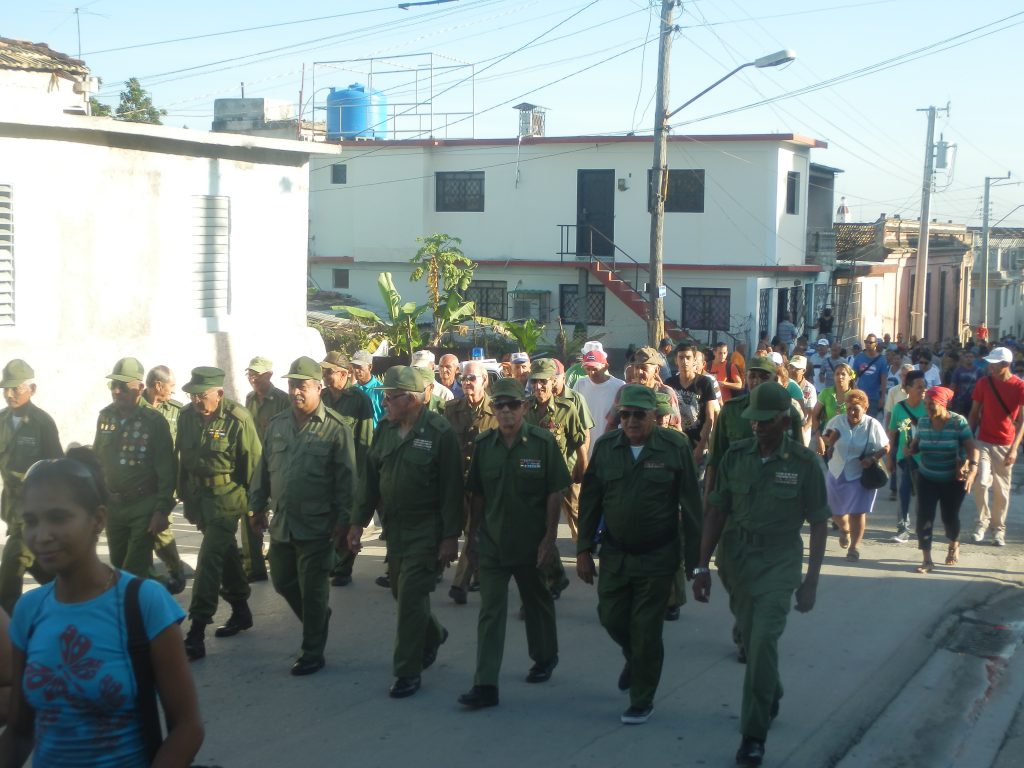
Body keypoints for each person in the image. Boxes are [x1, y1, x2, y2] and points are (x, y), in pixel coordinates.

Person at [0, 450, 203, 767]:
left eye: (58, 518)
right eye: (30, 521)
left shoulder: (143, 602)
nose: (41, 535)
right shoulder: (29, 611)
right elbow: (19, 731)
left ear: (98, 519)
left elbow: (187, 727)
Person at [693, 382, 829, 767]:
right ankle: (771, 689)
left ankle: (753, 736)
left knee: (764, 638)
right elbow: (716, 511)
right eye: (754, 421)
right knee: (754, 642)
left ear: (784, 421)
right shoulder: (737, 457)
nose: (757, 428)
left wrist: (812, 582)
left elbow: (819, 524)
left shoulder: (804, 464)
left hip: (779, 560)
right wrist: (702, 565)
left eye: (765, 422)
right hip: (736, 558)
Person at [576, 385, 702, 725]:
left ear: (654, 418)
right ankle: (636, 658)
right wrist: (583, 549)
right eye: (624, 415)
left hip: (658, 555)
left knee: (646, 629)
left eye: (638, 415)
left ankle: (641, 698)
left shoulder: (674, 447)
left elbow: (692, 505)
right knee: (611, 616)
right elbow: (590, 501)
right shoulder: (606, 448)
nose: (630, 421)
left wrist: (696, 563)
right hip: (616, 553)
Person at [348, 366, 462, 699]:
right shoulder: (384, 430)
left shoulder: (439, 433)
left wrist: (450, 537)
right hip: (395, 530)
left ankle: (406, 671)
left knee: (411, 599)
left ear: (410, 399)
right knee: (401, 591)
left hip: (427, 530)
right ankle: (434, 633)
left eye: (390, 396)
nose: (384, 402)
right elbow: (369, 480)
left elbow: (452, 490)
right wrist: (357, 522)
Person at [457, 378, 569, 709]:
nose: (506, 411)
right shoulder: (484, 444)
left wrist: (549, 538)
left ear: (523, 407)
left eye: (512, 405)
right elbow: (476, 494)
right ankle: (485, 684)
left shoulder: (542, 442)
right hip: (492, 542)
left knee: (537, 603)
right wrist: (472, 538)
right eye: (499, 405)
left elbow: (555, 490)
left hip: (531, 543)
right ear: (493, 410)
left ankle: (545, 657)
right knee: (490, 612)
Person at [248, 358, 356, 676]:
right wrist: (257, 507)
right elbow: (263, 471)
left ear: (318, 388)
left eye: (303, 385)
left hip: (319, 524)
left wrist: (345, 522)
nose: (296, 391)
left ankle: (312, 651)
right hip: (283, 522)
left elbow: (348, 481)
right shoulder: (278, 425)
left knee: (313, 588)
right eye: (293, 384)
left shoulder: (336, 428)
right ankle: (318, 617)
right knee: (281, 579)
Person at [177, 366, 262, 661]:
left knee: (209, 558)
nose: (197, 402)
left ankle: (196, 630)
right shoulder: (186, 417)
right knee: (225, 554)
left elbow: (253, 465)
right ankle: (241, 611)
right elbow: (183, 463)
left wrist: (256, 508)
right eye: (192, 396)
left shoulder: (238, 418)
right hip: (200, 498)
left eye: (202, 396)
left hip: (229, 498)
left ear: (219, 393)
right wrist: (186, 499)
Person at [93, 358, 176, 580]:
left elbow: (167, 470)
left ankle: (141, 608)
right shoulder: (105, 417)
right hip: (114, 507)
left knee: (132, 569)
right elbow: (97, 461)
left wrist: (161, 510)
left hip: (143, 506)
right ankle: (160, 593)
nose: (116, 391)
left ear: (139, 388)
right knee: (120, 566)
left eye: (123, 386)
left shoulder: (154, 421)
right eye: (113, 386)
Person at [0, 360, 62, 615]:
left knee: (12, 565)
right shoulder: (2, 420)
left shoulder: (42, 423)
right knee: (40, 567)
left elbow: (57, 466)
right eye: (5, 388)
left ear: (32, 389)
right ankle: (73, 597)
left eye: (16, 389)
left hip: (35, 508)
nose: (9, 394)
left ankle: (10, 628)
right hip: (12, 507)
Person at [524, 358, 587, 594]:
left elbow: (579, 442)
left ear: (553, 383)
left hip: (557, 477)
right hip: (530, 475)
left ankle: (540, 585)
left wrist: (583, 470)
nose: (538, 387)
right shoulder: (524, 408)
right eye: (534, 382)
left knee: (543, 527)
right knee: (538, 528)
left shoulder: (566, 409)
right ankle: (557, 576)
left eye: (543, 382)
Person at [906, 387, 979, 572]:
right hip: (927, 476)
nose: (928, 408)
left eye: (932, 405)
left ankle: (954, 542)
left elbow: (972, 448)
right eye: (926, 405)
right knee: (924, 517)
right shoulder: (923, 422)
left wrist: (972, 471)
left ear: (942, 404)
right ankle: (927, 560)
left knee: (949, 517)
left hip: (953, 479)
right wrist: (910, 448)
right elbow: (916, 445)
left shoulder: (957, 422)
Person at [443, 361, 498, 605]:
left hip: (484, 485)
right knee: (469, 531)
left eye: (472, 378)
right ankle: (479, 575)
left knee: (472, 530)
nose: (467, 383)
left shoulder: (496, 411)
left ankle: (459, 584)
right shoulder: (451, 409)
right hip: (458, 481)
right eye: (464, 378)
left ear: (484, 381)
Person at [319, 351, 374, 586]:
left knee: (347, 518)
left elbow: (365, 441)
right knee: (328, 519)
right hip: (324, 472)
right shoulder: (320, 397)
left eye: (329, 371)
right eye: (323, 371)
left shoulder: (359, 400)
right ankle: (332, 560)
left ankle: (344, 567)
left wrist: (361, 476)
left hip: (350, 471)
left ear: (343, 374)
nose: (325, 375)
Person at [821, 389, 889, 562]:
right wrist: (829, 442)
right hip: (837, 471)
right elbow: (825, 437)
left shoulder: (872, 424)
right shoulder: (837, 421)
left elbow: (885, 446)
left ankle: (854, 548)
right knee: (834, 511)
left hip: (860, 474)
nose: (852, 412)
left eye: (856, 409)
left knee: (858, 513)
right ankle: (844, 529)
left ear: (865, 408)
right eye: (849, 408)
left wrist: (872, 458)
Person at [968, 347, 1024, 546]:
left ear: (1005, 365)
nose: (989, 366)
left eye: (994, 363)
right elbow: (974, 413)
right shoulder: (984, 383)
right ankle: (981, 522)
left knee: (1002, 490)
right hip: (983, 440)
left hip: (1006, 443)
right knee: (981, 482)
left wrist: (1014, 448)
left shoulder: (1019, 386)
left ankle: (998, 529)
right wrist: (967, 440)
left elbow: (1022, 421)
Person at [243, 356, 290, 583]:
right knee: (252, 511)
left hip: (278, 463)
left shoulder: (283, 400)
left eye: (257, 374)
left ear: (269, 375)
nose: (253, 378)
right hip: (255, 465)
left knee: (280, 512)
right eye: (250, 374)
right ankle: (255, 566)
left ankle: (280, 555)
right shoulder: (249, 399)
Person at [141, 366, 187, 595]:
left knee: (161, 529)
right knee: (140, 532)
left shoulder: (176, 411)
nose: (174, 389)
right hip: (139, 483)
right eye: (171, 385)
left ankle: (175, 568)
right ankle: (148, 578)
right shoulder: (134, 408)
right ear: (158, 385)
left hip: (165, 482)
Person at [665, 341, 719, 469]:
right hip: (676, 443)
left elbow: (710, 418)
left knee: (697, 484)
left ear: (694, 360)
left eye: (688, 357)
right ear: (675, 360)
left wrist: (701, 447)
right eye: (681, 357)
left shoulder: (705, 383)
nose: (685, 361)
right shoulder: (669, 383)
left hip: (698, 443)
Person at [887, 370, 927, 542]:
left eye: (924, 386)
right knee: (903, 492)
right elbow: (892, 434)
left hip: (925, 460)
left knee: (923, 495)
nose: (923, 390)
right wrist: (889, 457)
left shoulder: (928, 407)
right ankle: (902, 528)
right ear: (907, 388)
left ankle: (923, 527)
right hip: (904, 459)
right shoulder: (899, 408)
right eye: (919, 387)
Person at [572, 348, 625, 456]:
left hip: (610, 446)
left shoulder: (619, 386)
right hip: (585, 447)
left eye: (594, 369)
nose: (591, 373)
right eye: (587, 369)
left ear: (605, 366)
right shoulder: (580, 383)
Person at [811, 362, 856, 455]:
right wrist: (818, 438)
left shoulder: (855, 396)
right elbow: (814, 416)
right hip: (827, 442)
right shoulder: (826, 393)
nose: (840, 377)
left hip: (848, 444)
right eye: (837, 374)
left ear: (850, 377)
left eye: (843, 374)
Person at [851, 334, 886, 415]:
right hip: (859, 396)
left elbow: (884, 380)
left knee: (870, 422)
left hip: (874, 398)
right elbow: (853, 375)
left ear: (876, 344)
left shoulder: (881, 360)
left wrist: (882, 398)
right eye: (866, 342)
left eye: (870, 342)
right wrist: (852, 388)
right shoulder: (859, 357)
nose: (867, 344)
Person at [787, 356, 817, 446]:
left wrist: (803, 429)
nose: (792, 370)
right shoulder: (784, 384)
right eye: (791, 367)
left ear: (803, 371)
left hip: (803, 428)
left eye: (796, 368)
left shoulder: (809, 388)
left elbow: (811, 414)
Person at [351, 350, 384, 426]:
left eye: (359, 367)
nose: (356, 370)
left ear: (370, 367)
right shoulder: (352, 390)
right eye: (354, 366)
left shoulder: (380, 390)